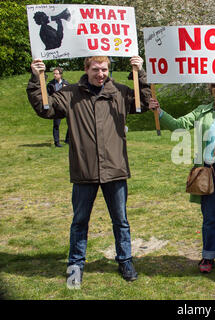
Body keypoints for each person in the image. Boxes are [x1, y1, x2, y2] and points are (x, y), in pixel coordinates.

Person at [27, 55, 152, 287]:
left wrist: (139, 72)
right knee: (80, 221)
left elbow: (144, 103)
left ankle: (125, 260)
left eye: (104, 69)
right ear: (86, 69)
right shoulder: (70, 94)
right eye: (95, 69)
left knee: (121, 220)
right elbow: (44, 108)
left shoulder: (120, 92)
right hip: (84, 171)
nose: (100, 74)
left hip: (114, 169)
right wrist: (36, 78)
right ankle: (76, 265)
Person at [149, 83, 215, 273]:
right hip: (209, 172)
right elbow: (178, 126)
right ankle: (208, 256)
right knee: (209, 218)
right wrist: (159, 111)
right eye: (214, 85)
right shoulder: (201, 111)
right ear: (210, 89)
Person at [47, 67, 69, 147]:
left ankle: (68, 140)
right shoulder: (50, 84)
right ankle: (57, 142)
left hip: (65, 106)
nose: (54, 75)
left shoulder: (66, 83)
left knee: (70, 123)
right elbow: (48, 95)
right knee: (56, 125)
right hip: (56, 107)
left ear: (60, 74)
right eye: (54, 74)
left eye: (56, 73)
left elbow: (69, 94)